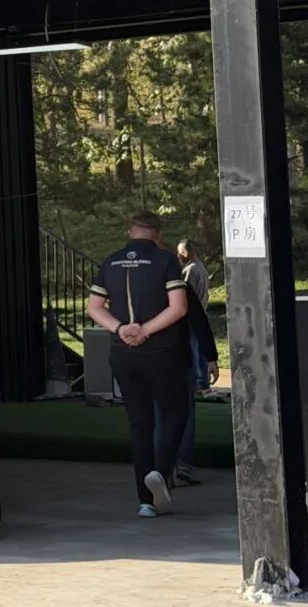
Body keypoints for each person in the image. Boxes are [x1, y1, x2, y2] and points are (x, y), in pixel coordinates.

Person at [87, 211, 189, 518]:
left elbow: (94, 307)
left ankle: (145, 500)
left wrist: (120, 329)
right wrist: (145, 330)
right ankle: (160, 471)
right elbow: (179, 308)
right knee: (175, 412)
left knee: (138, 421)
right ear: (157, 234)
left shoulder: (111, 262)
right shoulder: (166, 261)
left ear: (129, 231)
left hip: (123, 353)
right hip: (161, 352)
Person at [153, 282, 219, 487]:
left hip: (152, 357)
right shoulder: (180, 286)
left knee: (158, 414)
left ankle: (162, 467)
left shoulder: (142, 283)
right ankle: (182, 465)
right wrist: (210, 356)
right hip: (179, 357)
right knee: (184, 413)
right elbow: (199, 321)